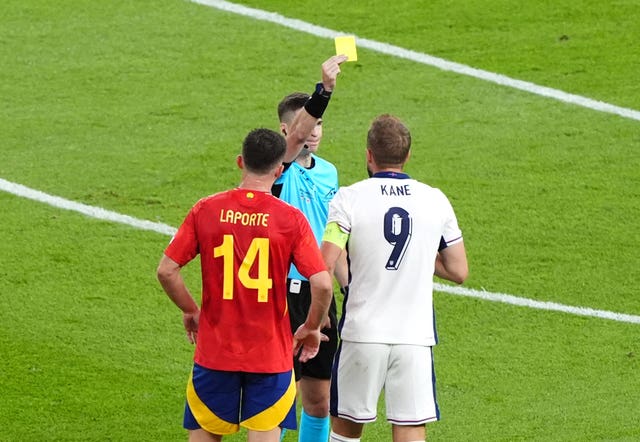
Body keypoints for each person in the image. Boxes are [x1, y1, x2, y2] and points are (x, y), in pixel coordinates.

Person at [156, 56, 345, 441]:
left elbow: (165, 270)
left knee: (318, 397)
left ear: (241, 161)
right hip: (272, 345)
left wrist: (192, 311)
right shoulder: (286, 216)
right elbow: (322, 284)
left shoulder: (206, 209)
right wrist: (323, 91)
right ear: (279, 168)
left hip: (215, 350)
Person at [320, 114, 469, 442]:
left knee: (346, 431)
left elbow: (325, 262)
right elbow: (458, 270)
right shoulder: (435, 199)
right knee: (410, 430)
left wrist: (314, 322)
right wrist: (420, 253)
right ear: (407, 156)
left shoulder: (349, 197)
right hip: (415, 338)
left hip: (363, 333)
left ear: (369, 155)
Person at [273, 58, 349, 442]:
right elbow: (293, 143)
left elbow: (334, 234)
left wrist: (348, 287)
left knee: (319, 399)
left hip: (321, 290)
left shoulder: (329, 172)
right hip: (284, 292)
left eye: (319, 123)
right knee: (280, 394)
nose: (315, 131)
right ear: (288, 129)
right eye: (308, 124)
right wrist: (324, 92)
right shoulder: (279, 167)